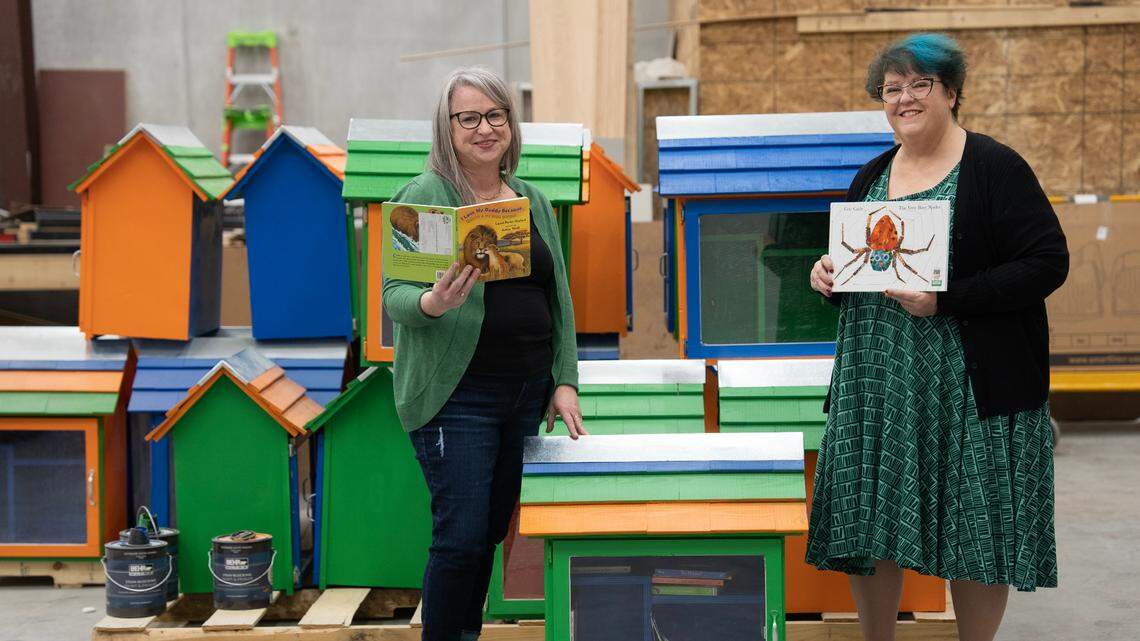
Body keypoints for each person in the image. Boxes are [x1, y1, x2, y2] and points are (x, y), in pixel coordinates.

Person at [807, 34, 1068, 641]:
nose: (904, 98)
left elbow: (1047, 262)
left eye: (920, 84)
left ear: (951, 93)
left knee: (975, 528)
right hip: (878, 385)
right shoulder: (872, 175)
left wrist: (946, 300)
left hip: (969, 388)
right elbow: (864, 269)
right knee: (871, 524)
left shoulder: (995, 168)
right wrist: (829, 278)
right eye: (891, 88)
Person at [382, 66, 587, 641]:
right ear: (446, 128)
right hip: (458, 396)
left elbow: (559, 296)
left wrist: (564, 380)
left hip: (525, 394)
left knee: (490, 532)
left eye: (495, 115)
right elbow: (394, 297)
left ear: (510, 124)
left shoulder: (531, 199)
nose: (484, 128)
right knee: (461, 538)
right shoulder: (425, 197)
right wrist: (433, 302)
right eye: (468, 118)